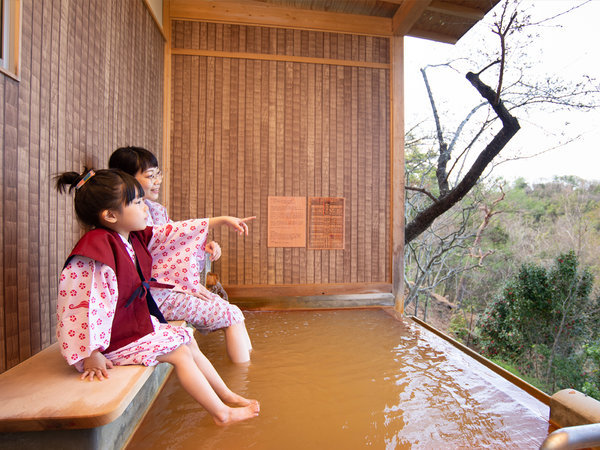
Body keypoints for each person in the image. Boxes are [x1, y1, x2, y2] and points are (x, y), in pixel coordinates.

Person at [54, 168, 259, 425]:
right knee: (180, 354)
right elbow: (79, 307)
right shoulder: (95, 250)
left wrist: (219, 220)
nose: (145, 209)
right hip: (108, 343)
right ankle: (222, 414)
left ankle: (226, 394)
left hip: (130, 327)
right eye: (138, 203)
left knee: (187, 340)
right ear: (110, 215)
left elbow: (171, 233)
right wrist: (91, 352)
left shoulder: (130, 237)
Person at [108, 146, 254, 363]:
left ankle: (250, 367)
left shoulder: (155, 210)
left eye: (158, 174)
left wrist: (202, 248)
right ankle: (245, 377)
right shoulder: (127, 217)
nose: (157, 181)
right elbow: (162, 235)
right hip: (155, 296)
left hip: (168, 288)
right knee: (232, 316)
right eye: (150, 176)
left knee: (232, 312)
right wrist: (218, 220)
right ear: (126, 180)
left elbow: (170, 242)